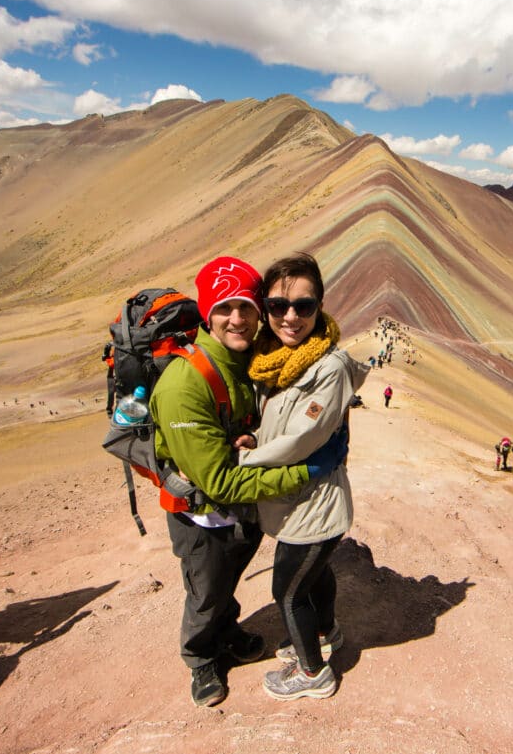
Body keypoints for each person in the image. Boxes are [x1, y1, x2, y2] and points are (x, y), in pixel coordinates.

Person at [150, 256, 345, 708]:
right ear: (206, 313)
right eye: (223, 308)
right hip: (201, 514)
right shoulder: (184, 385)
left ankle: (229, 632)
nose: (237, 319)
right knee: (205, 591)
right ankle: (201, 660)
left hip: (242, 510)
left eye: (246, 307)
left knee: (225, 583)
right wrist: (307, 472)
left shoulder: (250, 360)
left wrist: (252, 438)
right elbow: (219, 482)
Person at [237, 253, 369, 701]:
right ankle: (327, 630)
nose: (290, 317)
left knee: (288, 593)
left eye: (303, 306)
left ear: (320, 306)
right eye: (277, 306)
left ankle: (312, 673)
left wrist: (243, 465)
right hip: (300, 502)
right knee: (315, 578)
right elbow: (276, 423)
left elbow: (302, 438)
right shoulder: (274, 359)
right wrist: (254, 438)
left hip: (313, 505)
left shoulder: (327, 368)